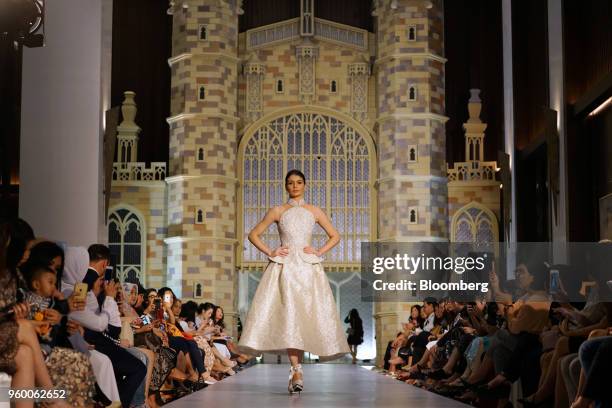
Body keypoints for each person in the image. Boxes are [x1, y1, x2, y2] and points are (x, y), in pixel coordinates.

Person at [238, 169, 350, 394]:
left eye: (299, 182)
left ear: (305, 185)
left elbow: (335, 236)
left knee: (304, 317)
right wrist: (271, 250)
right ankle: (296, 369)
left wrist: (319, 251)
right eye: (290, 183)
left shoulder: (314, 210)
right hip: (286, 267)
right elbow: (253, 234)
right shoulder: (278, 210)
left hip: (308, 268)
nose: (295, 186)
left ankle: (295, 371)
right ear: (286, 186)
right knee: (290, 316)